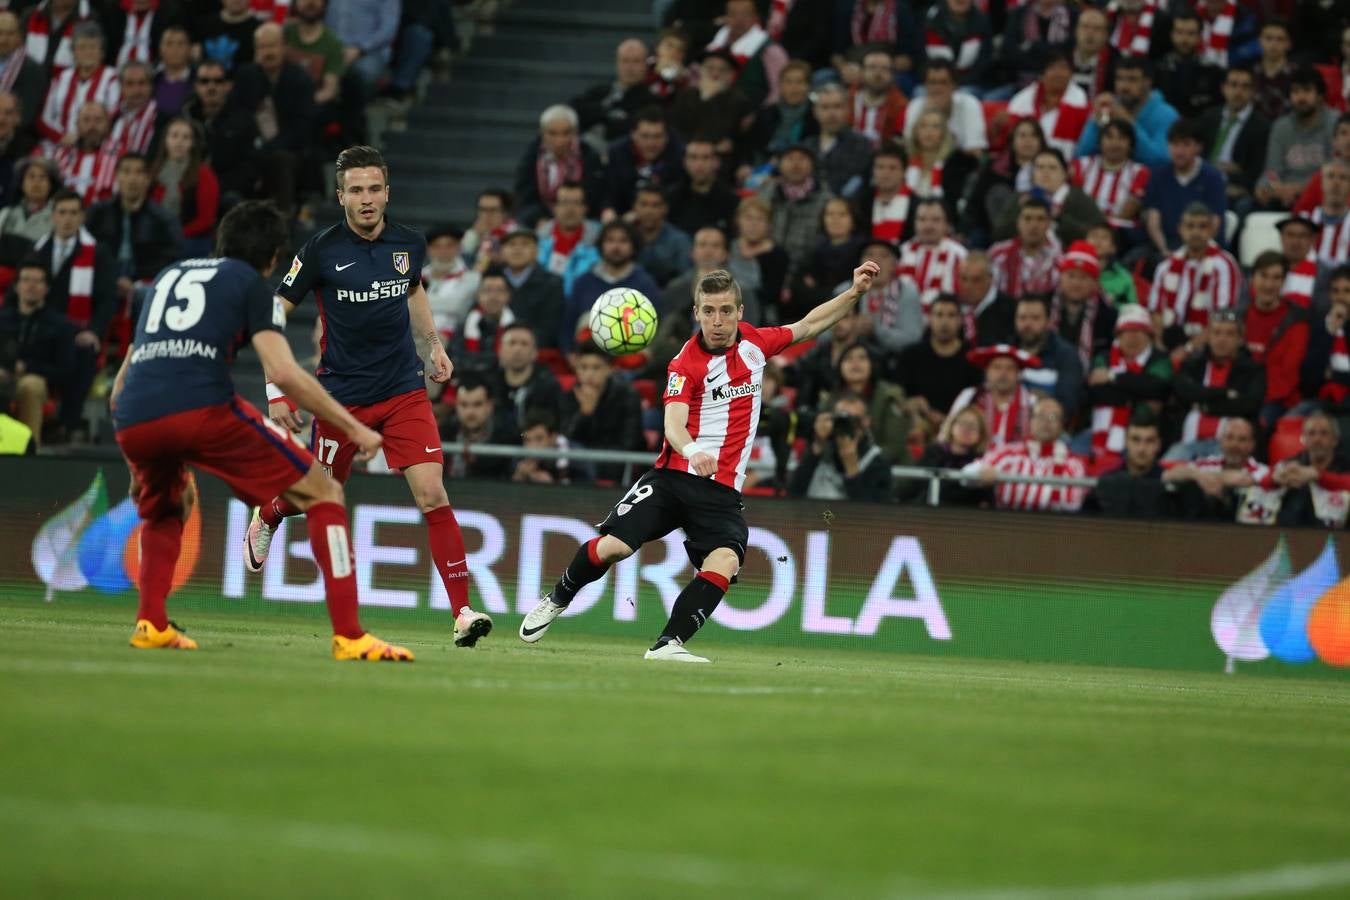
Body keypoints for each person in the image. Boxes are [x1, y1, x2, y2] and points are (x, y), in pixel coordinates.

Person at [518, 261, 883, 662]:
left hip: (722, 490)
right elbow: (673, 424)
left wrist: (854, 294)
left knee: (725, 560)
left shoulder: (755, 345)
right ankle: (558, 597)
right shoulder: (684, 364)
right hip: (674, 478)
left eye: (726, 311)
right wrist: (693, 451)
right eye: (708, 311)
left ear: (740, 313)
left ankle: (667, 645)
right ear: (696, 314)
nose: (718, 320)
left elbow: (810, 325)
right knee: (615, 547)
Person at [107, 200, 411, 659]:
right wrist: (355, 428)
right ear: (273, 258)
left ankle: (151, 622)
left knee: (171, 503)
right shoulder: (252, 284)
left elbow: (120, 386)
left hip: (134, 415)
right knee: (324, 493)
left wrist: (134, 453)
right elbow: (285, 373)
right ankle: (350, 635)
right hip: (201, 408)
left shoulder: (167, 277)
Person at [247, 146, 493, 649]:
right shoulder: (318, 249)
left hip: (403, 390)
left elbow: (412, 290)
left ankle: (463, 612)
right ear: (340, 196)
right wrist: (276, 388)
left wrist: (432, 345)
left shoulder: (409, 244)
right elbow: (272, 310)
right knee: (322, 493)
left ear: (387, 192)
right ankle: (271, 511)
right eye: (355, 190)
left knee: (432, 493)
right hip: (340, 398)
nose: (366, 199)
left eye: (374, 189)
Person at [33, 189, 116, 437]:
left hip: (77, 331)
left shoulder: (98, 253)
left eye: (74, 213)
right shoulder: (37, 251)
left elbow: (106, 300)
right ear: (53, 216)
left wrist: (93, 331)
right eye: (62, 213)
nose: (68, 219)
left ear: (82, 217)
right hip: (42, 328)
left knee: (83, 351)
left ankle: (66, 424)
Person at [231, 22, 316, 218]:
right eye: (262, 47)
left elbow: (303, 128)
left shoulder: (300, 80)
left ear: (285, 47)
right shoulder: (246, 76)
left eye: (272, 46)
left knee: (280, 160)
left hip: (288, 150)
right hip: (251, 146)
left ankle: (282, 225)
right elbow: (237, 115)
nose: (267, 52)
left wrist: (269, 146)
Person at [86, 153, 182, 310]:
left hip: (144, 281)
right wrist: (113, 278)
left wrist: (135, 281)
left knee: (146, 295)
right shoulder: (97, 213)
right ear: (117, 176)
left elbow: (171, 258)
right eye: (126, 171)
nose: (132, 178)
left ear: (147, 179)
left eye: (139, 172)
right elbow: (87, 250)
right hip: (103, 277)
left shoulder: (164, 219)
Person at [1167, 310, 1265, 461]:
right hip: (1186, 444)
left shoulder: (1252, 370)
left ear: (1240, 339)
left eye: (1229, 334)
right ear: (1208, 337)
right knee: (1165, 476)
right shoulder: (1193, 364)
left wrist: (1202, 405)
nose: (1222, 339)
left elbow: (1247, 405)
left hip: (1230, 449)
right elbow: (1183, 392)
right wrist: (1224, 393)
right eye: (1217, 333)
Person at [963, 396, 1088, 512]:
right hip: (1007, 525)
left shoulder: (1074, 464)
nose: (1046, 422)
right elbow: (965, 476)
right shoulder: (1006, 453)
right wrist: (980, 471)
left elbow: (1073, 505)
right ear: (1030, 421)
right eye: (1040, 416)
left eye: (1053, 417)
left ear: (1061, 425)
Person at [1147, 203, 1241, 355]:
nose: (1196, 232)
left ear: (1212, 230)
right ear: (1180, 229)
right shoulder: (1165, 267)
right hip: (1168, 342)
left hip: (1206, 347)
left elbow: (1224, 316)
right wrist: (1159, 345)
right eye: (1190, 226)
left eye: (1202, 226)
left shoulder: (1224, 264)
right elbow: (1156, 312)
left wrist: (1188, 349)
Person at [1084, 304, 1172, 464]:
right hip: (1097, 431)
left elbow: (1157, 388)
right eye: (1126, 332)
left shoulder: (1160, 360)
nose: (1132, 338)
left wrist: (1112, 376)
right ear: (1118, 335)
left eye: (1138, 332)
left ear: (1149, 336)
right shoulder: (1103, 358)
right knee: (1076, 450)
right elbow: (1096, 392)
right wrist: (1138, 394)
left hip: (1142, 437)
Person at [0, 260, 74, 445]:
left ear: (47, 288)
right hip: (3, 376)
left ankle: (31, 451)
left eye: (38, 281)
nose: (31, 286)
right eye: (26, 280)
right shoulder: (2, 318)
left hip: (38, 382)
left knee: (30, 385)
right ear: (16, 286)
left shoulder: (60, 325)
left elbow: (66, 371)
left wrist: (28, 367)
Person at [562, 221, 662, 351]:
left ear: (633, 246)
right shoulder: (584, 282)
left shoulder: (645, 283)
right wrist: (570, 354)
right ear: (601, 245)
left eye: (623, 241)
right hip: (587, 361)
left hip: (630, 359)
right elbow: (567, 325)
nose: (616, 246)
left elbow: (656, 327)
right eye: (610, 240)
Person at [559, 342, 645, 481]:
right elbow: (565, 441)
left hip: (615, 463)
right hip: (579, 462)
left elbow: (630, 443)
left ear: (609, 369)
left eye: (596, 368)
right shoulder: (570, 396)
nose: (589, 374)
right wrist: (584, 414)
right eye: (584, 367)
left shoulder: (627, 396)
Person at [1142, 120, 1227, 262]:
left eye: (1186, 145)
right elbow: (1153, 219)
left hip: (1203, 249)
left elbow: (1215, 222)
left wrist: (1188, 253)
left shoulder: (1213, 178)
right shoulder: (1159, 175)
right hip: (1167, 246)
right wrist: (1164, 249)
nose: (1179, 151)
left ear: (1198, 147)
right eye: (1175, 145)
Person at [789, 388, 895, 501]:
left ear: (866, 422)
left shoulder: (877, 461)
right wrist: (816, 447)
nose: (847, 426)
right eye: (841, 419)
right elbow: (793, 495)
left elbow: (874, 513)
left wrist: (852, 470)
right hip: (817, 516)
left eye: (854, 420)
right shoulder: (819, 450)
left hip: (848, 518)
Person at [896, 293, 981, 432]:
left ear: (960, 320)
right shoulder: (911, 356)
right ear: (929, 319)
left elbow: (977, 401)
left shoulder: (973, 358)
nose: (944, 322)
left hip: (962, 428)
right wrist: (916, 405)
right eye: (939, 315)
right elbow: (899, 396)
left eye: (951, 315)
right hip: (919, 428)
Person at [1256, 67, 1337, 211]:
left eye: (1306, 91)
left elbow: (1336, 170)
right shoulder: (1281, 126)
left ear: (1319, 95)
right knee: (1247, 205)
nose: (1300, 97)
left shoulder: (1335, 123)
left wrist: (1300, 188)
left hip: (1323, 194)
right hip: (1283, 194)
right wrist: (1265, 186)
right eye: (1295, 91)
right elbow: (1272, 171)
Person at [1074, 57, 1179, 170]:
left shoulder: (1166, 115)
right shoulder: (1109, 108)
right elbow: (1080, 156)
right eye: (1120, 79)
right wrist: (1095, 121)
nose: (1124, 86)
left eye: (1132, 80)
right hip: (1109, 180)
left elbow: (1162, 161)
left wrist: (1128, 123)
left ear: (1148, 82)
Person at [1244, 250, 1309, 429]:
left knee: (1254, 427)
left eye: (1276, 278)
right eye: (1263, 276)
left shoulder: (1296, 321)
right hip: (1241, 395)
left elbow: (1287, 375)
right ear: (1252, 278)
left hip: (1278, 401)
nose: (1268, 284)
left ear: (1283, 282)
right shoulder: (1240, 316)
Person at [182, 59, 260, 202]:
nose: (211, 86)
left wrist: (213, 186)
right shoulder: (185, 118)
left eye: (218, 81)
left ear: (227, 86)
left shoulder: (243, 120)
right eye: (204, 81)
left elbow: (250, 168)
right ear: (196, 86)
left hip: (228, 190)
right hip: (189, 188)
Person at [1163, 417, 1269, 521]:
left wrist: (1211, 479)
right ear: (1221, 441)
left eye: (1242, 440)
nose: (1234, 445)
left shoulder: (1262, 470)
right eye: (1229, 437)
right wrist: (1199, 477)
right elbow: (1167, 475)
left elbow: (1245, 479)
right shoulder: (1207, 462)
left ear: (1252, 444)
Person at [515, 104, 604, 227]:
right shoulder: (531, 158)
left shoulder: (590, 157)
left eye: (566, 133)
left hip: (583, 219)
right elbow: (526, 197)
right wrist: (539, 220)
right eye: (552, 133)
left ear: (575, 133)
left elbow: (595, 197)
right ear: (542, 133)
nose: (559, 140)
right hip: (541, 219)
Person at [823, 341, 912, 464]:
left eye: (862, 358)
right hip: (839, 467)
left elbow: (894, 447)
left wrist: (862, 465)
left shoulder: (889, 396)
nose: (855, 363)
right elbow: (823, 443)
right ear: (840, 366)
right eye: (848, 359)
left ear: (872, 364)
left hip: (889, 469)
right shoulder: (830, 400)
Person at [963, 117, 1048, 245]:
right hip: (991, 230)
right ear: (1012, 141)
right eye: (1022, 135)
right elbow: (975, 204)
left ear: (1041, 141)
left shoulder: (1050, 168)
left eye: (1033, 136)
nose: (1028, 141)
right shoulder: (994, 168)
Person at [993, 148, 1104, 245]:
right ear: (1032, 175)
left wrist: (1060, 218)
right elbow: (998, 235)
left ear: (1065, 173)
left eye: (1052, 168)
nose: (1045, 172)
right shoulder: (1019, 199)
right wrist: (1021, 212)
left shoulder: (1079, 199)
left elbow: (1098, 236)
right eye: (1040, 167)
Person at [758, 144, 831, 288]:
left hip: (806, 274)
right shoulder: (766, 194)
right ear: (780, 164)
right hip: (766, 270)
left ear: (812, 164)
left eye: (802, 159)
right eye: (790, 159)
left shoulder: (826, 200)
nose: (796, 164)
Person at [1198, 66, 1271, 208]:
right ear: (1223, 88)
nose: (1238, 92)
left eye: (1245, 87)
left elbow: (1256, 173)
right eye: (1233, 85)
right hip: (1203, 180)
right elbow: (1197, 154)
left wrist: (1229, 175)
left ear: (1252, 92)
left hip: (1236, 189)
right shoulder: (1208, 117)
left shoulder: (1261, 127)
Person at [149, 116, 220, 258]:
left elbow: (206, 219)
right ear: (165, 140)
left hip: (193, 240)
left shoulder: (204, 175)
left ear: (193, 143)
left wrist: (176, 233)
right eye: (174, 136)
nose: (179, 142)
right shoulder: (152, 173)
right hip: (157, 238)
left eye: (186, 137)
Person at [37, 21, 118, 146]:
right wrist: (61, 137)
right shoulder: (61, 78)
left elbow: (114, 114)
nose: (87, 52)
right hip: (59, 144)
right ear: (73, 52)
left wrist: (83, 137)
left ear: (102, 52)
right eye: (82, 47)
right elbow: (44, 118)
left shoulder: (112, 78)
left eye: (92, 47)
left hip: (98, 145)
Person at [945, 344, 1041, 447]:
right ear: (987, 371)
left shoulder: (1032, 402)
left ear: (1018, 374)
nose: (1003, 373)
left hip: (1018, 460)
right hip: (974, 459)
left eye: (1010, 368)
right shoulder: (970, 396)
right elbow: (947, 433)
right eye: (997, 367)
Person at [669, 48, 753, 163]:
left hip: (720, 161)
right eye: (710, 68)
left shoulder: (739, 101)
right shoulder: (685, 95)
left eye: (722, 70)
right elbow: (676, 128)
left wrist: (709, 98)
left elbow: (720, 132)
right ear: (701, 71)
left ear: (731, 75)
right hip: (684, 154)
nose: (715, 74)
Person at [1267, 412, 1350, 527]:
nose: (1317, 439)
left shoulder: (1346, 464)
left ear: (1335, 440)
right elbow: (1265, 476)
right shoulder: (1291, 464)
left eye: (1324, 433)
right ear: (1304, 439)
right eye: (1311, 433)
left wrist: (1317, 475)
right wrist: (1275, 478)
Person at [704, 0, 787, 109]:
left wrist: (759, 115)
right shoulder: (715, 45)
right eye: (733, 14)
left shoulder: (770, 50)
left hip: (753, 116)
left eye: (745, 14)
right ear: (725, 17)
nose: (739, 20)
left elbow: (780, 92)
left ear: (756, 17)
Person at [903, 404, 991, 506]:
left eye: (972, 426)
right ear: (952, 426)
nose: (966, 429)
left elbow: (986, 500)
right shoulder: (934, 452)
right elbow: (915, 485)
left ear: (981, 434)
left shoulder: (982, 462)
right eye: (963, 423)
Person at [603, 107, 683, 219]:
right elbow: (611, 191)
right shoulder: (618, 153)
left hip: (666, 218)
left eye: (657, 136)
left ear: (666, 137)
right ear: (633, 134)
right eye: (645, 136)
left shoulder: (679, 154)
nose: (651, 143)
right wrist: (608, 210)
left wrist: (642, 214)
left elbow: (676, 194)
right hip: (625, 216)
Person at [1013, 293, 1084, 419]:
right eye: (1022, 318)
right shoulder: (1007, 351)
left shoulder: (1066, 355)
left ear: (1048, 321)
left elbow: (1067, 404)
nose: (1027, 324)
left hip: (1049, 426)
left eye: (1035, 318)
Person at [1087, 416, 1174, 518]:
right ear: (1125, 442)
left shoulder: (1170, 486)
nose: (1142, 449)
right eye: (1135, 440)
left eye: (1149, 441)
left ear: (1158, 445)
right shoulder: (1108, 480)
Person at [1071, 119, 1149, 232]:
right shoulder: (1080, 165)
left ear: (1130, 144)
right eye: (1109, 137)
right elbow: (1077, 202)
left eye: (1121, 138)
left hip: (1120, 232)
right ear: (1100, 141)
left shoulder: (1140, 172)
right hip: (1083, 227)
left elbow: (1126, 213)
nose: (1115, 143)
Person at [570, 38, 652, 145]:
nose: (629, 67)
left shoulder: (649, 99)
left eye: (636, 61)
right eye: (625, 61)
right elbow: (574, 109)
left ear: (645, 65)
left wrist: (598, 115)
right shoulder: (599, 91)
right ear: (617, 63)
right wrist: (608, 113)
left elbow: (627, 127)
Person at [1008, 53, 1089, 159]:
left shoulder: (1079, 100)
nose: (1058, 73)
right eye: (1052, 68)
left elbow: (1077, 145)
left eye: (1063, 68)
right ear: (1042, 73)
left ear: (1071, 74)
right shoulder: (1021, 100)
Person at [1052, 240, 1117, 370]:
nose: (1076, 283)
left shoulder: (1108, 314)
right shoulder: (1046, 305)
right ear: (1061, 277)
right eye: (1071, 276)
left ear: (1095, 282)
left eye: (1083, 277)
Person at [438, 376, 519, 480]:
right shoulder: (446, 431)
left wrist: (476, 462)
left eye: (477, 404)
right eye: (464, 405)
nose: (470, 412)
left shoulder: (506, 434)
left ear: (489, 405)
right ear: (456, 405)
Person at [853, 238, 924, 354]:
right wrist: (851, 329)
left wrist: (876, 330)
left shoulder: (907, 293)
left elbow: (912, 340)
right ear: (860, 263)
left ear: (894, 265)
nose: (875, 260)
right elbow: (823, 334)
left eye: (884, 256)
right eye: (869, 254)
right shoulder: (845, 291)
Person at [497, 227, 564, 350]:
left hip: (536, 352)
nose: (517, 249)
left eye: (525, 244)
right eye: (511, 244)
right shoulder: (491, 280)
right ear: (502, 252)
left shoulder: (552, 283)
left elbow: (550, 329)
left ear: (536, 251)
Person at [903, 59, 988, 155]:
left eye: (943, 82)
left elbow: (976, 151)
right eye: (932, 82)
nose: (937, 88)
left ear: (954, 86)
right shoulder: (916, 106)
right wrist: (929, 113)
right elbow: (909, 148)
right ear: (925, 85)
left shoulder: (970, 104)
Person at [803, 82, 873, 199]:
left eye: (837, 106)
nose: (832, 114)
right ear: (815, 112)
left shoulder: (861, 145)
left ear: (847, 110)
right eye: (825, 107)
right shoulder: (807, 146)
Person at [727, 196, 789, 324]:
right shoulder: (726, 247)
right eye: (748, 218)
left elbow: (771, 296)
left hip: (762, 316)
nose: (753, 224)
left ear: (769, 225)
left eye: (760, 219)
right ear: (738, 221)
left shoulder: (778, 255)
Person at [904, 107, 979, 213]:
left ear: (944, 133)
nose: (928, 131)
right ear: (915, 131)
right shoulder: (904, 162)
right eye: (923, 126)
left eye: (935, 127)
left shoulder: (956, 164)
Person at [898, 198, 966, 313]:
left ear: (947, 224)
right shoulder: (901, 252)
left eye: (936, 220)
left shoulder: (959, 255)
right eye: (922, 219)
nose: (928, 226)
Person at [323, 0, 399, 100]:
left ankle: (354, 111)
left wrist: (360, 49)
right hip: (329, 43)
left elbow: (388, 30)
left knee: (364, 73)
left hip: (368, 50)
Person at [491, 322, 561, 430]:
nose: (517, 349)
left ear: (535, 352)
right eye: (512, 343)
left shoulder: (548, 389)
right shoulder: (490, 386)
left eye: (524, 344)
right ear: (500, 351)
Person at [1153, 10, 1222, 120]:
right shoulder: (1157, 70)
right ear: (1171, 35)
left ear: (1200, 37)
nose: (1184, 39)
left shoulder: (1214, 72)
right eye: (1179, 32)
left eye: (1190, 33)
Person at [536, 180, 601, 297]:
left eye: (576, 203)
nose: (570, 209)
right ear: (554, 207)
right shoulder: (538, 240)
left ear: (585, 208)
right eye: (564, 203)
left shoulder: (600, 240)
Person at [989, 197, 1062, 297]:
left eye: (1040, 219)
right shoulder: (997, 254)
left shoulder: (1058, 260)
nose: (1033, 225)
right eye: (1027, 218)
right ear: (1018, 222)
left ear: (1049, 223)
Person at [449, 270, 515, 378]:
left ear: (508, 296)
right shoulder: (464, 326)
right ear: (478, 296)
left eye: (499, 291)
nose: (493, 297)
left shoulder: (516, 327)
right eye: (487, 290)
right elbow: (455, 360)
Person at [667, 138, 740, 236]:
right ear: (684, 162)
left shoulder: (730, 200)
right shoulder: (671, 198)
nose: (699, 164)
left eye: (705, 158)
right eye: (693, 158)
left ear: (716, 162)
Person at [1000, 0, 1077, 92]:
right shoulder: (1020, 13)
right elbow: (1009, 49)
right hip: (1020, 81)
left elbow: (1068, 50)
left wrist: (1033, 48)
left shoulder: (1072, 15)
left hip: (1060, 83)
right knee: (992, 99)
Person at [749, 59, 815, 162]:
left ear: (809, 86)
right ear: (780, 86)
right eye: (788, 82)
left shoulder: (816, 115)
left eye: (800, 82)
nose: (794, 87)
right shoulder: (765, 114)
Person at [923, 0, 994, 94]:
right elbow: (920, 58)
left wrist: (956, 84)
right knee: (919, 93)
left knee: (965, 94)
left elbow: (984, 62)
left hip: (970, 84)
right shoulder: (930, 20)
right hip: (933, 82)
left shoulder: (982, 22)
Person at [423, 224, 479, 339]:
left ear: (459, 248)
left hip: (454, 341)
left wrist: (417, 303)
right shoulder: (417, 276)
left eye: (449, 246)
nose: (443, 252)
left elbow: (457, 306)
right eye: (437, 246)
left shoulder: (472, 278)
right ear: (428, 250)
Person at [632, 184, 693, 288]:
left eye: (655, 205)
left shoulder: (680, 240)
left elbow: (686, 278)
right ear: (634, 207)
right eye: (643, 204)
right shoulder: (625, 237)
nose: (649, 211)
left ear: (665, 209)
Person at [848, 45, 907, 149]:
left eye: (884, 68)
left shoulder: (901, 106)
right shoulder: (847, 100)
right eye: (872, 67)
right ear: (862, 72)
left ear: (892, 75)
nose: (877, 73)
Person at [0, 12, 48, 135]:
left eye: (10, 34)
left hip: (13, 138)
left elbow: (26, 116)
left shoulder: (32, 70)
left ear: (20, 36)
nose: (3, 39)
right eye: (0, 32)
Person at [955, 250, 1015, 345]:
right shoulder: (952, 306)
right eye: (963, 278)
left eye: (976, 280)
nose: (968, 286)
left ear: (990, 279)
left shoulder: (1010, 309)